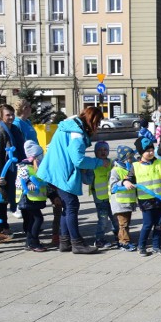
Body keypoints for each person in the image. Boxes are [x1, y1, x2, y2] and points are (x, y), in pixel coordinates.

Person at [36, 106, 105, 254]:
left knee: (68, 206)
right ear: (92, 120)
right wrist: (98, 163)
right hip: (62, 172)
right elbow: (78, 160)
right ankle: (77, 243)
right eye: (97, 123)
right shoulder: (77, 134)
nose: (97, 127)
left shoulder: (70, 125)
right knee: (72, 205)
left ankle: (65, 241)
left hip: (54, 170)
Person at [126, 138, 161, 257]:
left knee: (159, 224)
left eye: (152, 150)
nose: (151, 153)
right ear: (141, 152)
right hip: (145, 201)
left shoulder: (159, 163)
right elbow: (128, 178)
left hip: (160, 200)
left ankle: (157, 246)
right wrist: (125, 182)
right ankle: (141, 246)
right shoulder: (135, 166)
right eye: (148, 151)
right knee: (148, 224)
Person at [0, 104, 28, 242]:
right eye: (8, 115)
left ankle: (25, 226)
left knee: (17, 198)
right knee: (1, 201)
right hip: (4, 172)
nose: (11, 117)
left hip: (17, 169)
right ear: (1, 116)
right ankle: (0, 232)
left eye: (12, 114)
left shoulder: (15, 129)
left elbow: (22, 148)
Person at [16, 140, 52, 252]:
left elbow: (44, 181)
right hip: (27, 199)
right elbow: (18, 182)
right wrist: (28, 183)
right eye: (40, 155)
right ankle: (34, 242)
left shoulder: (38, 167)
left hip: (35, 199)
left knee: (32, 220)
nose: (42, 157)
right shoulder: (25, 167)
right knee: (38, 219)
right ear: (35, 156)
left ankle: (29, 242)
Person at [83, 141, 115, 249]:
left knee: (115, 219)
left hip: (112, 197)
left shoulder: (112, 163)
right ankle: (99, 239)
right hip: (100, 199)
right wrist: (83, 172)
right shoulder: (92, 165)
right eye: (100, 150)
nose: (103, 152)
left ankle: (120, 237)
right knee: (103, 220)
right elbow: (87, 180)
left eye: (105, 150)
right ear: (96, 152)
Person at [109, 146, 138, 252]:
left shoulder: (129, 168)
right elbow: (113, 186)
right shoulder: (115, 170)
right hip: (120, 203)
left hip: (128, 202)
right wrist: (123, 182)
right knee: (123, 224)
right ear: (124, 158)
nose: (132, 159)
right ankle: (124, 242)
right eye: (130, 157)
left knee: (126, 223)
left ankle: (123, 239)